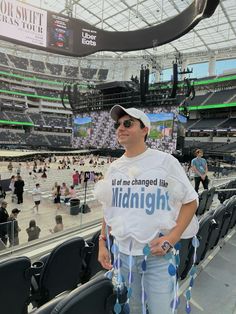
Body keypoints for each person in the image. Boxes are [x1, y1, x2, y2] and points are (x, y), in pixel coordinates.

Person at [96, 105, 199, 314]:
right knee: (134, 309)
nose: (120, 128)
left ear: (145, 130)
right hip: (123, 257)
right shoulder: (114, 168)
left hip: (158, 257)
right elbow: (109, 209)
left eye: (128, 123)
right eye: (118, 124)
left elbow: (191, 201)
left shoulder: (165, 162)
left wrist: (172, 239)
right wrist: (102, 242)